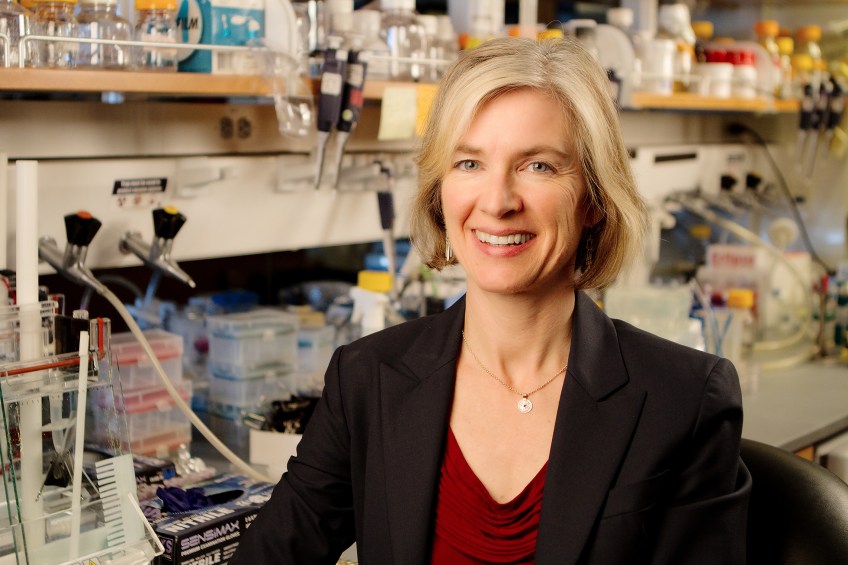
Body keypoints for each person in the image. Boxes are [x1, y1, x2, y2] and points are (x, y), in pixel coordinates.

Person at [230, 36, 750, 564]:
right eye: (469, 163)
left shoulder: (684, 399)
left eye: (538, 166)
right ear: (440, 191)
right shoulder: (367, 379)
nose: (497, 202)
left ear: (594, 198)